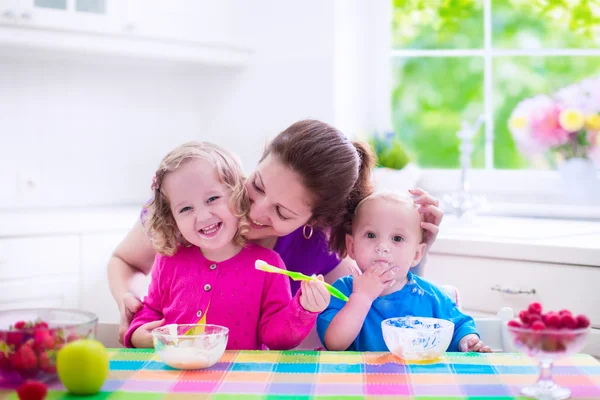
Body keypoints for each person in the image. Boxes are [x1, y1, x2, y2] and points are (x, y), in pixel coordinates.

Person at [108, 119, 444, 344]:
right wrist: (133, 302)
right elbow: (125, 262)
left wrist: (417, 251)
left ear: (313, 223)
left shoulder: (318, 247)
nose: (255, 211)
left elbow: (374, 306)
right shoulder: (195, 206)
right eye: (256, 185)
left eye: (282, 212)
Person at [125, 142, 329, 349]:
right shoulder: (168, 259)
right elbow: (151, 310)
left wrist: (303, 309)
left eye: (213, 198)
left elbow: (277, 339)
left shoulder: (268, 265)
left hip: (240, 376)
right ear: (172, 218)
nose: (203, 216)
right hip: (176, 372)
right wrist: (137, 333)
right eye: (186, 208)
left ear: (237, 195)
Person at [317, 192, 491, 353]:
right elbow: (334, 344)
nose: (382, 247)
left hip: (417, 381)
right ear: (351, 246)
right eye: (371, 235)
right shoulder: (342, 290)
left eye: (397, 238)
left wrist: (467, 340)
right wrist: (361, 297)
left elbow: (459, 326)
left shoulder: (430, 295)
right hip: (359, 381)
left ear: (417, 254)